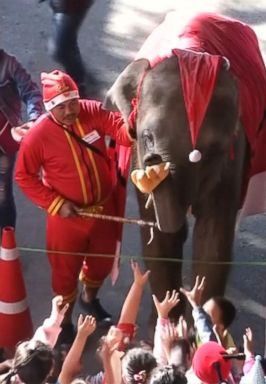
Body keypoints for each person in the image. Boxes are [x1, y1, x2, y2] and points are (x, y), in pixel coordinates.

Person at [15, 69, 132, 343]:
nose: (70, 111)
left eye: (73, 103)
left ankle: (89, 299)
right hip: (66, 219)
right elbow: (24, 176)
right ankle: (64, 320)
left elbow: (121, 131)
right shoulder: (38, 137)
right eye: (61, 106)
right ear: (49, 109)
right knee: (64, 274)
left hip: (103, 211)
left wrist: (135, 122)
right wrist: (55, 203)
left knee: (101, 264)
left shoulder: (91, 110)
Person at [0, 48, 43, 233]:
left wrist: (34, 121)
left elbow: (32, 92)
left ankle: (6, 244)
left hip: (4, 141)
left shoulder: (8, 63)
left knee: (2, 194)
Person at [40, 0, 95, 96]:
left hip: (71, 6)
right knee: (67, 42)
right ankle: (82, 78)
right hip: (65, 5)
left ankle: (79, 83)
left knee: (59, 50)